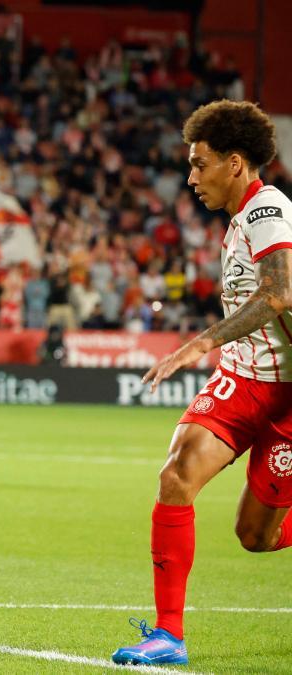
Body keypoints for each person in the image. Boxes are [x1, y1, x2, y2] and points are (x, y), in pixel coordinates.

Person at [112, 100, 292, 666]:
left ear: (235, 164)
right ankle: (168, 635)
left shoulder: (267, 212)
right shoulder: (241, 220)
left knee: (255, 537)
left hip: (287, 395)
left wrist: (201, 341)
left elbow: (278, 293)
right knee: (177, 473)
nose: (191, 177)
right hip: (243, 380)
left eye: (200, 163)